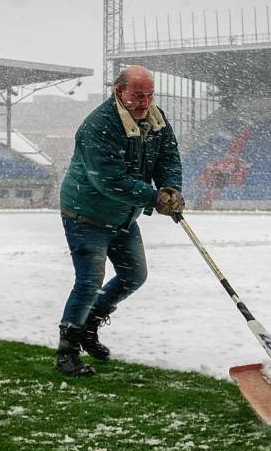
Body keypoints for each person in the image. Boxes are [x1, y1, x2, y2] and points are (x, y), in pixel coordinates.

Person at [56, 65, 185, 376]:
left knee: (134, 275)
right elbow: (109, 180)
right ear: (119, 92)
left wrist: (170, 188)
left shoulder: (157, 118)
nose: (144, 102)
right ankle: (67, 352)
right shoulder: (98, 126)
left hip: (124, 216)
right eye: (138, 96)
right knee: (89, 282)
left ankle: (89, 325)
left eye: (150, 95)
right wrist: (154, 199)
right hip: (86, 215)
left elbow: (168, 156)